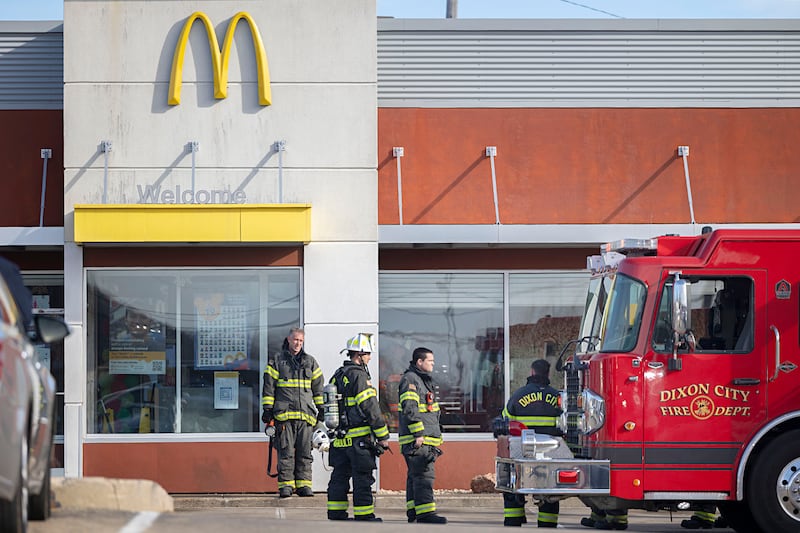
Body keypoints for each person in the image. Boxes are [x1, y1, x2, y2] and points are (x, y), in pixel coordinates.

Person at [326, 333, 390, 521]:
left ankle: (336, 513)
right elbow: (370, 406)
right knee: (362, 477)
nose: (370, 358)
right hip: (359, 440)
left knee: (339, 476)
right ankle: (364, 515)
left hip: (339, 439)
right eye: (368, 354)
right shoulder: (359, 376)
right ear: (360, 355)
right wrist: (383, 436)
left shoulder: (337, 375)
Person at [261, 327, 324, 498]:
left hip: (305, 417)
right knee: (286, 452)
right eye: (295, 340)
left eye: (301, 341)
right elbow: (269, 387)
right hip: (284, 416)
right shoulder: (277, 361)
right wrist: (267, 409)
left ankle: (304, 485)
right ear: (289, 340)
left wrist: (322, 408)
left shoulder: (310, 362)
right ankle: (286, 486)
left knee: (305, 453)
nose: (298, 343)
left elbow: (318, 389)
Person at [501, 358, 562, 528]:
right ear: (548, 373)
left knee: (514, 484)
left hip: (523, 450)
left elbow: (506, 422)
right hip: (551, 451)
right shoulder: (557, 396)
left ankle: (514, 519)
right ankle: (547, 524)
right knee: (549, 487)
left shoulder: (518, 395)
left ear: (532, 372)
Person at [399, 347, 447, 525]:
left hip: (422, 440)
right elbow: (410, 408)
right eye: (430, 361)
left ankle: (413, 511)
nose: (433, 364)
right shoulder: (411, 380)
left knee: (415, 476)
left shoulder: (420, 379)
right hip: (419, 440)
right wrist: (418, 434)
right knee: (424, 476)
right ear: (420, 362)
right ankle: (426, 513)